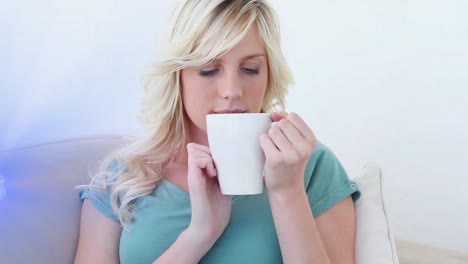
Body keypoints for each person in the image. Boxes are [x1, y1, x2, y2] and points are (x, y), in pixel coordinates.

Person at [74, 0, 361, 263]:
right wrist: (200, 234)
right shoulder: (122, 178)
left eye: (250, 69)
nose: (232, 91)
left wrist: (287, 191)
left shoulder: (311, 165)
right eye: (209, 70)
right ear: (177, 76)